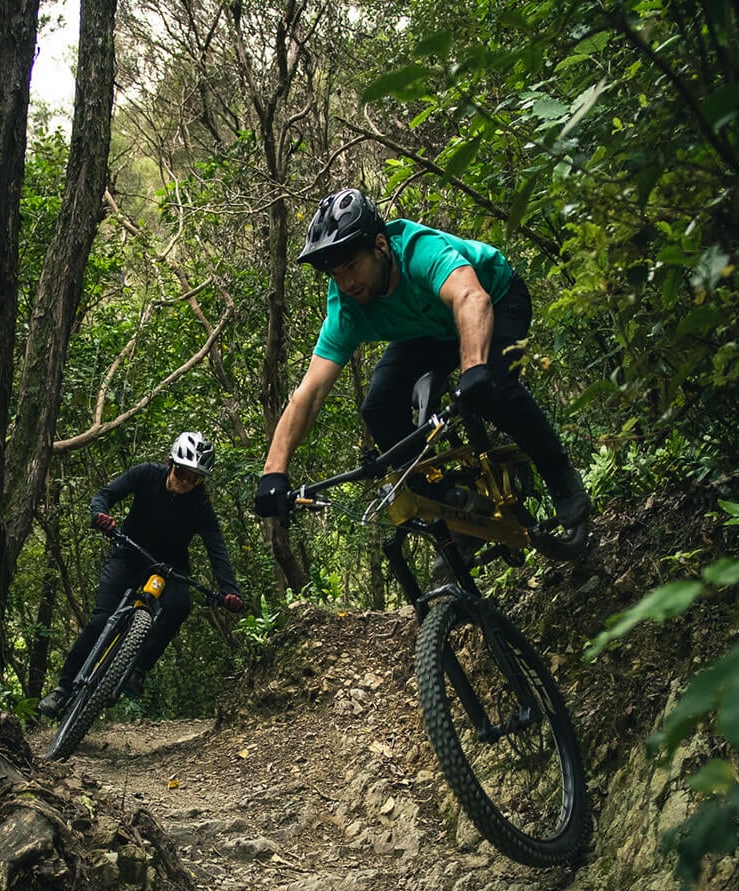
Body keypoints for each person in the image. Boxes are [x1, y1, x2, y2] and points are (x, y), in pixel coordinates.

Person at [252, 188, 589, 543]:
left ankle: (561, 478)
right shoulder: (347, 308)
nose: (347, 283)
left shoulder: (418, 251)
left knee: (495, 389)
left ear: (380, 244)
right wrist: (274, 472)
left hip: (496, 298)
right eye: (335, 274)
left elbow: (471, 298)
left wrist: (474, 368)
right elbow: (310, 392)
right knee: (379, 407)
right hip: (427, 329)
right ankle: (449, 501)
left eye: (352, 266)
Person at [39, 432, 246, 717]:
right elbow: (104, 495)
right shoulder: (146, 474)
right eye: (182, 472)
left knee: (179, 605)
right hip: (128, 555)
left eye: (194, 478)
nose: (185, 482)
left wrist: (229, 589)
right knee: (101, 619)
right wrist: (100, 514)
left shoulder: (200, 505)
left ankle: (138, 668)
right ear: (171, 463)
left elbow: (216, 546)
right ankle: (62, 689)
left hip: (168, 568)